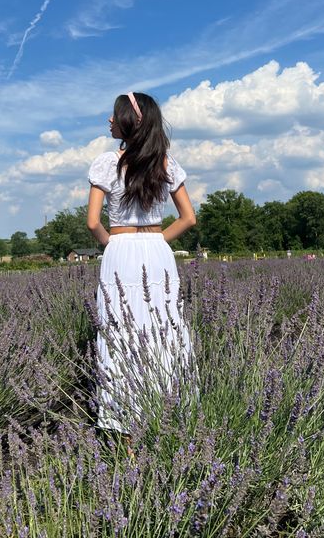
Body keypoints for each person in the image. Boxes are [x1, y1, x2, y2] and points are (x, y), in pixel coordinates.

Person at [87, 92, 196, 435]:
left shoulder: (107, 163)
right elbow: (188, 218)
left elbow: (92, 222)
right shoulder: (165, 162)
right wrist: (156, 242)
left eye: (113, 115)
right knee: (164, 330)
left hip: (119, 252)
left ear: (128, 122)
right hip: (156, 252)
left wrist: (114, 244)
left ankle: (127, 427)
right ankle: (166, 418)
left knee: (120, 331)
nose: (109, 120)